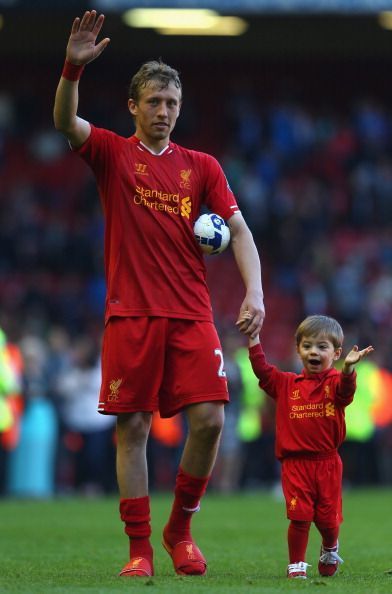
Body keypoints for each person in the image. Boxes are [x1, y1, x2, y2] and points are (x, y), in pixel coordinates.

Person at [53, 10, 264, 578]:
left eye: (171, 103)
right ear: (133, 107)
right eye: (153, 102)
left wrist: (256, 293)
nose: (164, 112)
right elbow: (65, 123)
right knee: (135, 428)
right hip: (132, 315)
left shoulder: (202, 168)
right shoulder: (113, 155)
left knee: (212, 421)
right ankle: (140, 548)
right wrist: (72, 68)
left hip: (192, 313)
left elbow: (239, 230)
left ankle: (181, 530)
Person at [245, 314, 373, 579]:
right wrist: (253, 338)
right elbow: (262, 370)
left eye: (322, 347)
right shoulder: (286, 384)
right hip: (295, 464)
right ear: (298, 349)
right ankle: (296, 565)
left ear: (336, 353)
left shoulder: (336, 382)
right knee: (299, 516)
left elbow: (346, 391)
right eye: (308, 346)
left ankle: (329, 546)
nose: (313, 351)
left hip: (327, 463)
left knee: (327, 519)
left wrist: (348, 369)